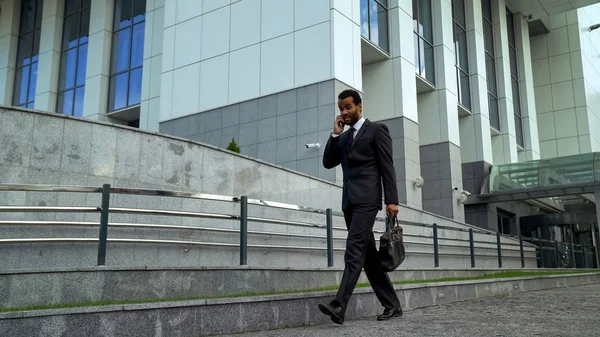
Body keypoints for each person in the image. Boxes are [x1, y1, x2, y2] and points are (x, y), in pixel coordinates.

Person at [318, 89, 403, 324]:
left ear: (359, 107)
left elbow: (388, 166)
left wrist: (392, 200)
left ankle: (339, 304)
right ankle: (392, 305)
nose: (344, 112)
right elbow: (327, 163)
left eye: (347, 107)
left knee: (354, 249)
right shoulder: (344, 137)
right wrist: (335, 135)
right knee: (368, 257)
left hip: (368, 200)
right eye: (341, 109)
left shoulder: (377, 130)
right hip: (349, 203)